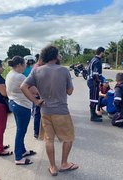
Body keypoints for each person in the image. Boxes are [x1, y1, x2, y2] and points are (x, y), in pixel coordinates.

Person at [20, 45, 78, 176]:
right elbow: (70, 91)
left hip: (45, 110)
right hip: (61, 110)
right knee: (68, 137)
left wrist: (35, 101)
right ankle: (64, 163)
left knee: (49, 139)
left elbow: (23, 86)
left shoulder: (37, 71)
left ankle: (52, 167)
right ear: (56, 56)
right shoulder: (64, 70)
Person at [5, 56, 36, 165]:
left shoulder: (10, 74)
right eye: (24, 65)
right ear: (19, 65)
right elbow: (33, 90)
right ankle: (18, 157)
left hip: (14, 103)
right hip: (21, 105)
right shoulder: (20, 76)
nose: (25, 67)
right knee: (21, 131)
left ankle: (22, 151)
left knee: (20, 129)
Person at [87, 47, 105, 122]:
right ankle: (93, 116)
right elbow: (95, 74)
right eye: (104, 52)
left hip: (91, 81)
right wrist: (100, 80)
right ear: (101, 52)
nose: (104, 54)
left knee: (94, 97)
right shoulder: (97, 61)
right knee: (94, 98)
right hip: (94, 82)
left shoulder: (93, 59)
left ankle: (94, 113)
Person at [30, 53, 44, 139]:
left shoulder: (38, 66)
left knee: (39, 113)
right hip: (38, 94)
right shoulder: (37, 68)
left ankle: (38, 131)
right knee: (38, 113)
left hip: (39, 93)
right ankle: (37, 132)